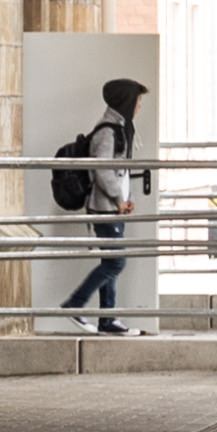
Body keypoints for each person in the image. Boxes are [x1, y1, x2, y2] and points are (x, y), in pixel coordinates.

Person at [52, 74, 149, 332]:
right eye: (137, 100)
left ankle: (107, 319)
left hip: (115, 207)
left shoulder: (121, 128)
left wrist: (127, 199)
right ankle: (75, 304)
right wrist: (119, 199)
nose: (139, 105)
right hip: (105, 208)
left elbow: (121, 171)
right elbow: (102, 170)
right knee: (115, 262)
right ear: (126, 101)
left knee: (111, 261)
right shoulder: (107, 132)